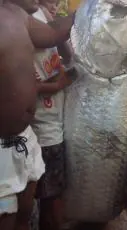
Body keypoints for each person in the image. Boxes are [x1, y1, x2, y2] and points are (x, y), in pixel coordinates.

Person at [0, 0, 74, 229]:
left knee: (25, 212)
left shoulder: (18, 15)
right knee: (6, 219)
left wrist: (87, 9)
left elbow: (53, 34)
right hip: (1, 147)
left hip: (25, 137)